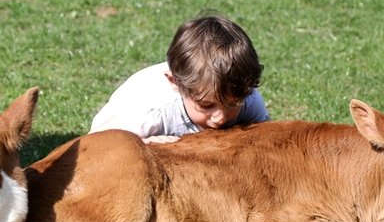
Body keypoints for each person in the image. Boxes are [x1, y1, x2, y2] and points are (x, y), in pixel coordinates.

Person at [89, 13, 269, 143]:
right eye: (206, 105)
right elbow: (96, 147)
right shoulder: (149, 114)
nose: (220, 118)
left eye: (232, 104)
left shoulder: (247, 99)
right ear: (175, 83)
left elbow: (265, 139)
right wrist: (144, 144)